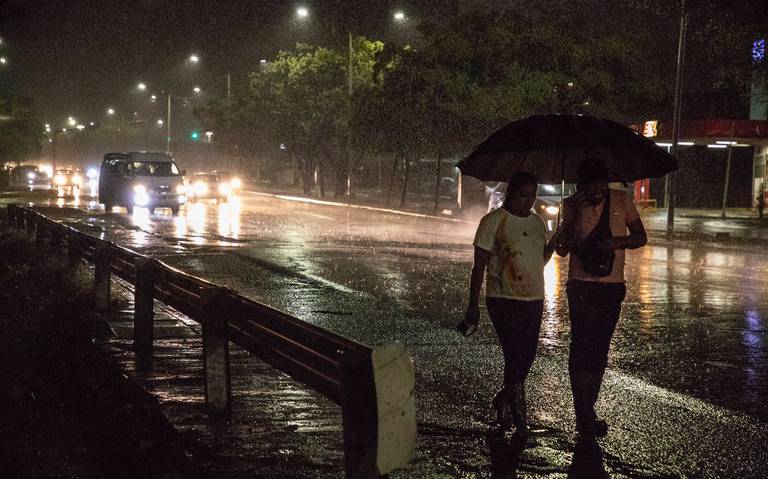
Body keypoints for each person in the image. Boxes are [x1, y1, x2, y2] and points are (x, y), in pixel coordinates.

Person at [460, 171, 558, 439]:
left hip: (533, 299)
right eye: (523, 195)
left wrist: (557, 241)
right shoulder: (493, 222)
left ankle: (503, 400)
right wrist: (473, 306)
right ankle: (520, 419)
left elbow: (540, 261)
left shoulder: (538, 223)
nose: (528, 201)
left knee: (526, 357)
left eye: (532, 196)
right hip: (502, 299)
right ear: (511, 194)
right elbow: (478, 267)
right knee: (514, 355)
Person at [555, 158, 647, 438]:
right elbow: (561, 249)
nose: (597, 191)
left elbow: (640, 237)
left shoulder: (622, 201)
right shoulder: (570, 205)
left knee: (600, 347)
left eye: (601, 185)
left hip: (611, 286)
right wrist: (575, 218)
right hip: (580, 285)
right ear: (580, 186)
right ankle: (582, 411)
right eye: (590, 186)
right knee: (581, 345)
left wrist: (616, 242)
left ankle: (588, 409)